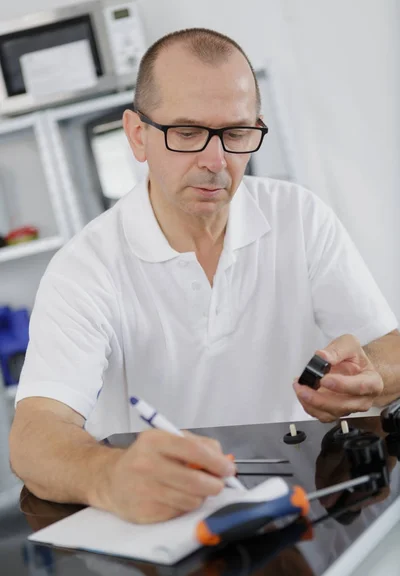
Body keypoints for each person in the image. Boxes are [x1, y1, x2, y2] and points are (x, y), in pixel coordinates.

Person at [9, 28, 400, 525]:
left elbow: (390, 348)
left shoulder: (299, 217)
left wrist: (372, 375)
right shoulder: (85, 267)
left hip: (302, 504)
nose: (216, 162)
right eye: (188, 132)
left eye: (236, 134)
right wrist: (110, 475)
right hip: (165, 523)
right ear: (137, 135)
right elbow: (36, 433)